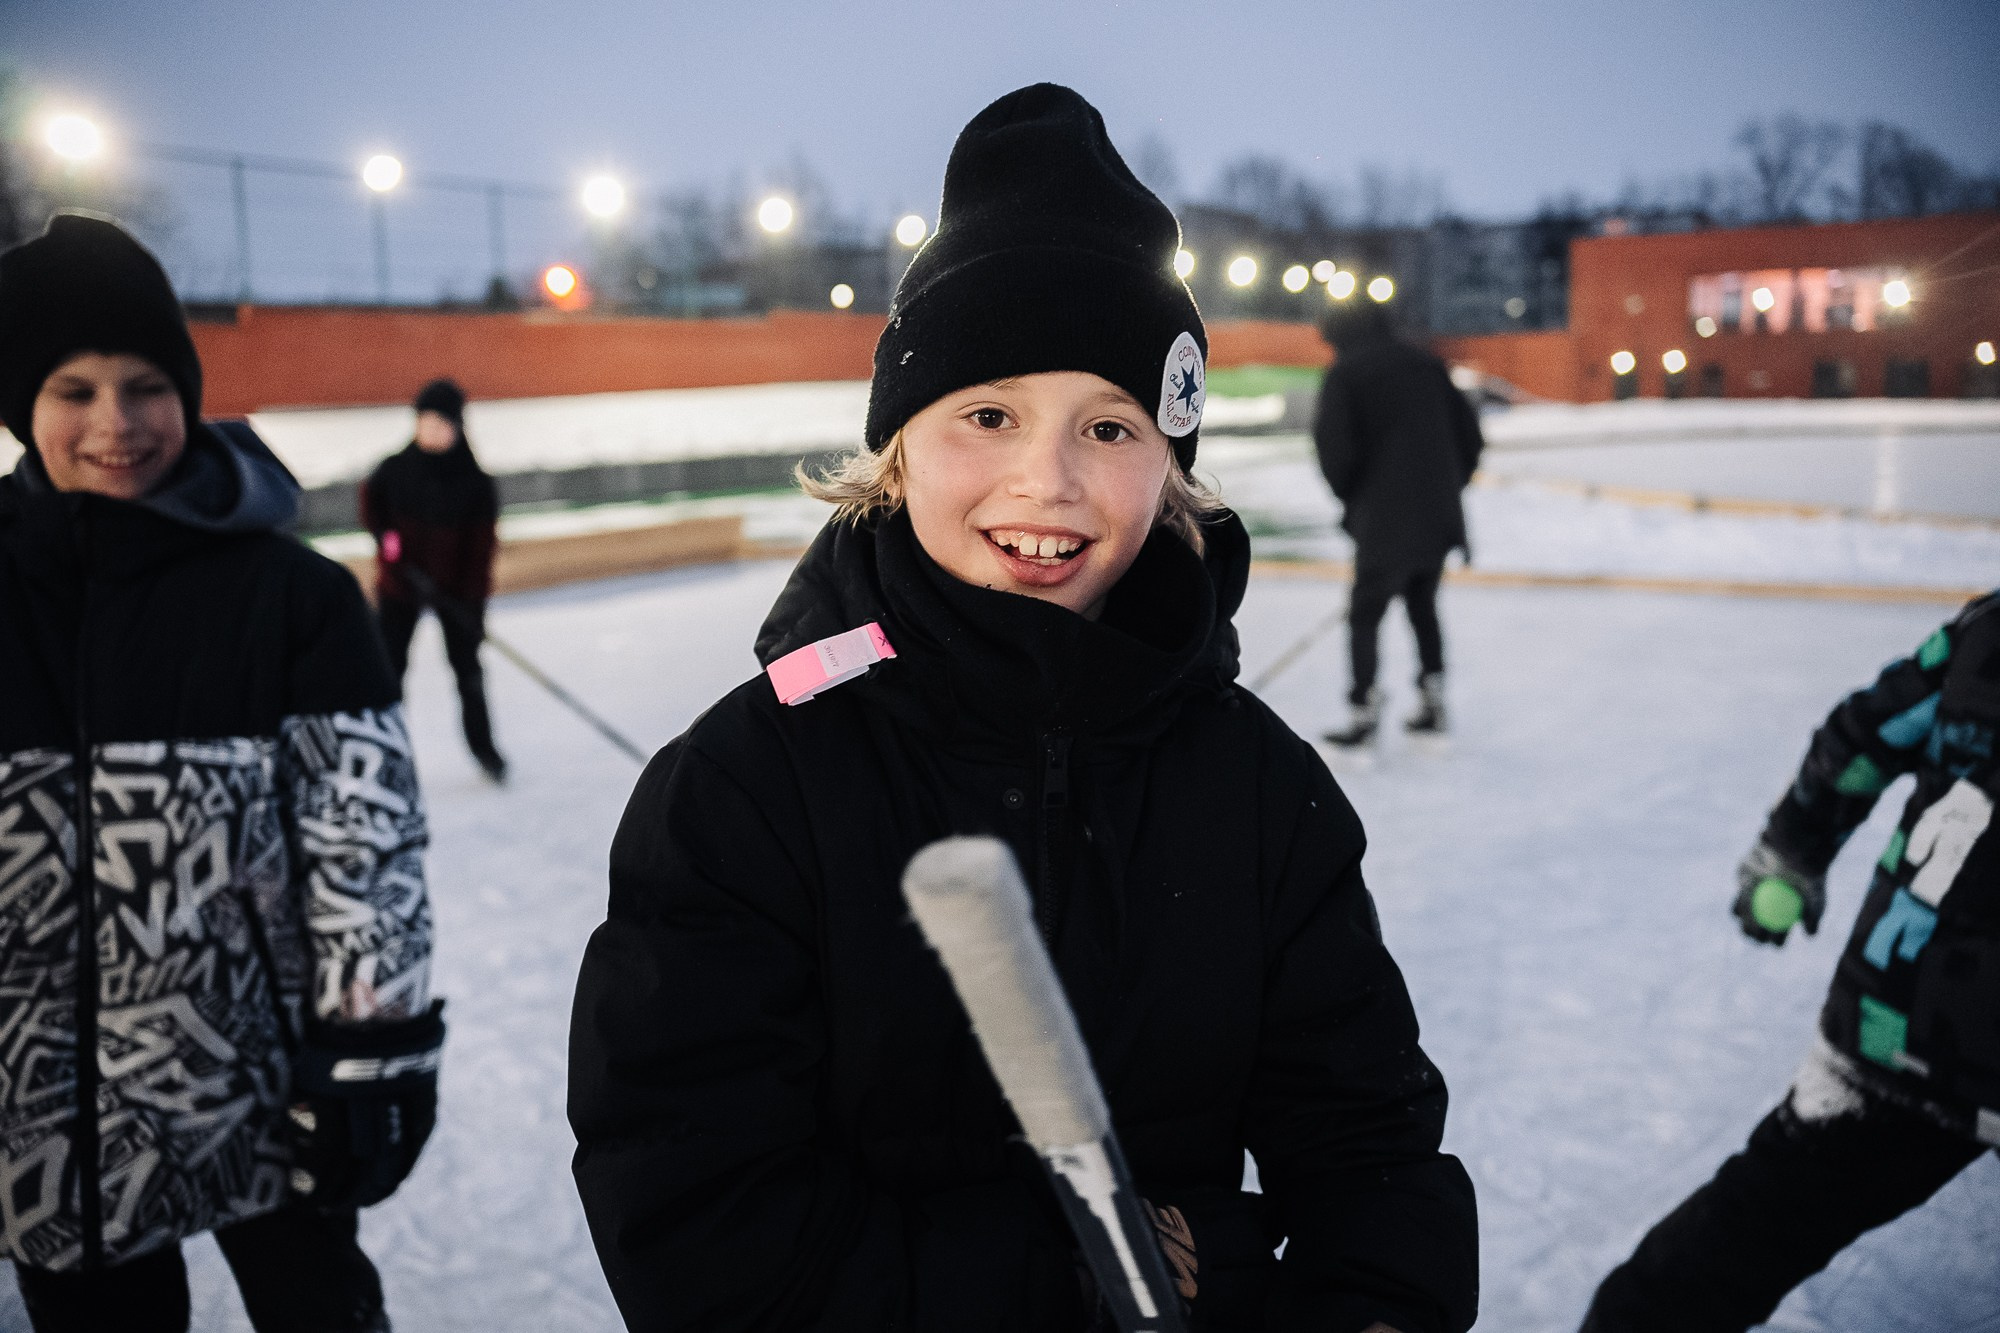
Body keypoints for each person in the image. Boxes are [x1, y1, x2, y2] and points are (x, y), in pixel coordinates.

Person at [569, 84, 1478, 1333]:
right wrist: (1079, 1282)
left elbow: (1370, 1150)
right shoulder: (746, 786)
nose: (1043, 481)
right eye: (986, 415)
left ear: (1169, 467)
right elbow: (697, 1220)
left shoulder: (1259, 789)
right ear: (897, 445)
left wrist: (1329, 1294)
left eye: (1106, 425)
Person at [0, 215, 444, 1333]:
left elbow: (362, 845)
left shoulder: (289, 598)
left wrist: (370, 1051)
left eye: (146, 385)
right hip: (46, 1106)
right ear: (21, 404)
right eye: (73, 389)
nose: (117, 423)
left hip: (261, 1081)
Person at [1581, 591, 2000, 1332]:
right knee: (1756, 1223)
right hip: (1923, 1021)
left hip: (1895, 1007)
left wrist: (1792, 850)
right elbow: (1868, 733)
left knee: (1753, 1221)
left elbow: (1866, 735)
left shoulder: (1988, 623)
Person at [1312, 301, 1483, 749]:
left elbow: (1333, 449)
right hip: (1438, 515)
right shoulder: (1427, 365)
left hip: (1384, 520)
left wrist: (1357, 499)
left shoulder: (1348, 374)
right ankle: (1433, 702)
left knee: (1365, 613)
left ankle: (1363, 711)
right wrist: (1446, 486)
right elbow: (1471, 436)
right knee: (1423, 604)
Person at [360, 379, 506, 782]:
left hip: (455, 594)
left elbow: (481, 552)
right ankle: (382, 753)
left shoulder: (475, 484)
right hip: (400, 587)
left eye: (441, 424)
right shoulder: (394, 471)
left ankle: (485, 751)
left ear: (458, 428)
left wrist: (471, 606)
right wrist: (391, 550)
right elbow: (375, 513)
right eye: (424, 422)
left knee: (467, 671)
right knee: (387, 672)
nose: (431, 431)